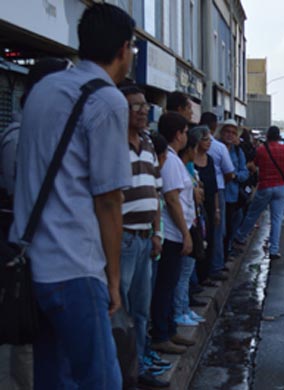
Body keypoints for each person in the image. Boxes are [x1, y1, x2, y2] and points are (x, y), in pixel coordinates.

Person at [9, 4, 135, 388]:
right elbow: (109, 199)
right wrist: (113, 280)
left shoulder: (45, 89)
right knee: (101, 380)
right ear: (123, 50)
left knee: (54, 379)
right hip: (76, 266)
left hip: (32, 266)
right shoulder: (108, 100)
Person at [0, 56, 71, 390]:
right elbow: (21, 194)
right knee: (29, 343)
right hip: (28, 255)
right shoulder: (18, 136)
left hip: (52, 254)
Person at [118, 85, 168, 388]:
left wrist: (157, 233)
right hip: (121, 238)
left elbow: (157, 193)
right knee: (119, 311)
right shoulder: (111, 142)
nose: (141, 111)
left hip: (145, 236)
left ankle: (136, 370)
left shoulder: (148, 144)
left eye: (144, 105)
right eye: (134, 106)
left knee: (140, 310)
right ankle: (121, 375)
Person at [150, 112, 196, 355]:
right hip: (171, 234)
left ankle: (169, 329)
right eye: (186, 132)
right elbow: (171, 198)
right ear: (178, 134)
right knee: (165, 287)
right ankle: (160, 334)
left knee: (169, 283)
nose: (187, 136)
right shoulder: (169, 159)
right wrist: (185, 234)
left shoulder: (174, 158)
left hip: (177, 232)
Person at [233, 126, 284, 260]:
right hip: (280, 187)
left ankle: (240, 237)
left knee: (252, 214)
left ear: (267, 136)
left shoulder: (261, 150)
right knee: (276, 219)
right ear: (279, 136)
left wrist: (257, 173)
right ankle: (274, 250)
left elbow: (253, 165)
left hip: (264, 186)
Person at [172, 130, 206, 327]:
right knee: (182, 274)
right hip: (185, 225)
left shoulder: (188, 168)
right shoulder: (180, 168)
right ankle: (179, 311)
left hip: (192, 222)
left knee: (186, 272)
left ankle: (184, 309)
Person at [199, 112, 234, 280]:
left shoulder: (197, 144)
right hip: (215, 190)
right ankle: (215, 267)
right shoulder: (218, 147)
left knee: (206, 229)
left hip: (203, 189)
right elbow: (229, 172)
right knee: (216, 229)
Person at [190, 126, 220, 285]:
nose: (209, 143)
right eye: (206, 139)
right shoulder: (190, 160)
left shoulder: (210, 160)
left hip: (208, 205)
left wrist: (216, 209)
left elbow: (214, 187)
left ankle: (206, 275)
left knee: (210, 239)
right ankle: (197, 279)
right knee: (197, 242)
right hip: (195, 207)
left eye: (209, 139)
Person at [217, 119, 249, 258]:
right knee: (220, 229)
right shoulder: (216, 148)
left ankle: (227, 251)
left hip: (233, 194)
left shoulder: (237, 151)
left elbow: (244, 172)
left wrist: (234, 176)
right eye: (227, 132)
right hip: (218, 194)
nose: (230, 135)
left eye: (233, 133)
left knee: (230, 226)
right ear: (222, 132)